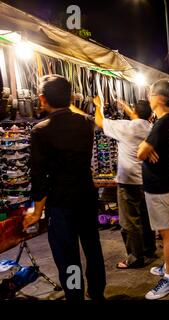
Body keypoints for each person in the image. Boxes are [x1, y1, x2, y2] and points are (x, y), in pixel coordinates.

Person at [24, 75, 106, 300]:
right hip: (87, 196)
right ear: (70, 98)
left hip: (61, 204)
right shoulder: (85, 124)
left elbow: (39, 176)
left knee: (68, 256)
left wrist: (37, 211)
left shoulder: (41, 130)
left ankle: (75, 295)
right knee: (92, 246)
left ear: (42, 98)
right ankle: (97, 293)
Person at [71, 98, 157, 269]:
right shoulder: (151, 128)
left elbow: (99, 121)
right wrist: (126, 106)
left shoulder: (127, 127)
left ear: (135, 112)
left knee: (129, 221)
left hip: (129, 181)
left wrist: (98, 106)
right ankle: (149, 250)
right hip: (147, 181)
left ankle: (135, 258)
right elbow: (138, 117)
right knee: (146, 218)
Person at [137, 80, 169, 300]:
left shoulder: (164, 122)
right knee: (166, 229)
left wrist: (146, 148)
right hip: (163, 183)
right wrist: (147, 148)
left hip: (160, 186)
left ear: (160, 97)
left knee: (166, 231)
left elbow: (140, 152)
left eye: (150, 93)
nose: (148, 96)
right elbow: (146, 150)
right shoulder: (168, 120)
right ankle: (168, 266)